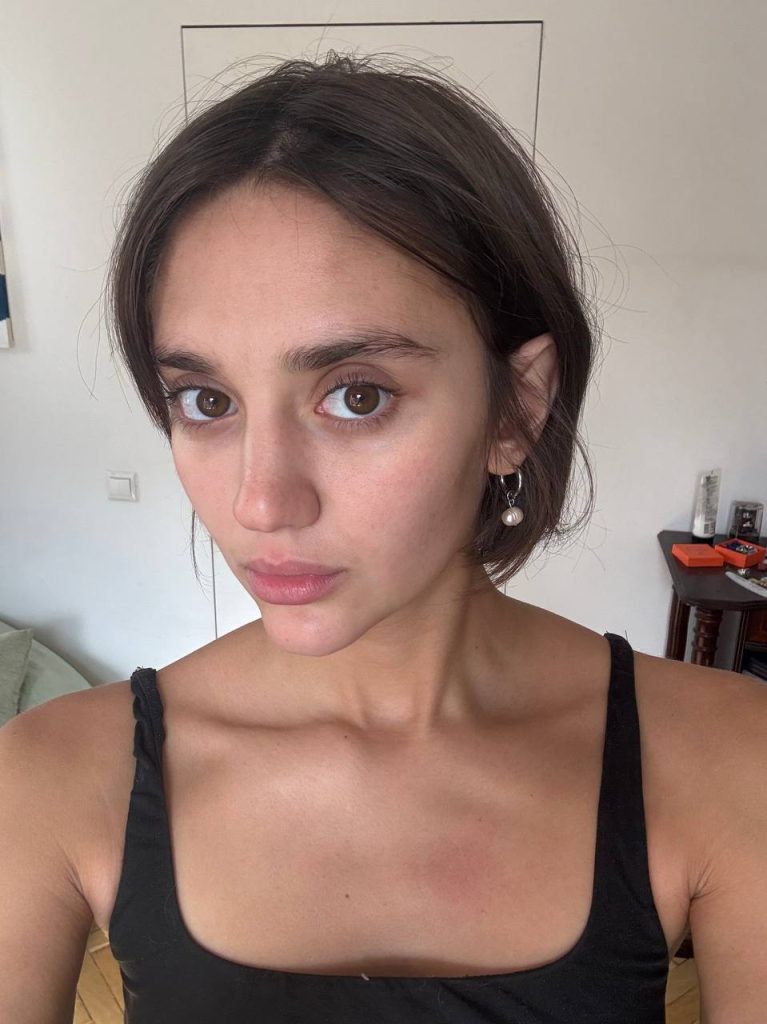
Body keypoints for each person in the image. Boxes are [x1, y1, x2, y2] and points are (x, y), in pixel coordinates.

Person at [2, 51, 766, 1024]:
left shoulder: (723, 758)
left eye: (356, 396)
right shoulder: (54, 775)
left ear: (515, 408)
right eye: (206, 401)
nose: (261, 502)